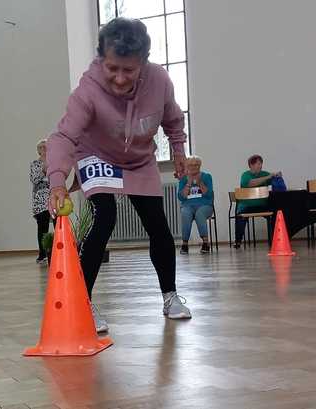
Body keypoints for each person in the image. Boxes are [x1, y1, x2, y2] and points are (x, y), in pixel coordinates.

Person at [46, 17, 192, 333]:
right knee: (104, 218)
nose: (120, 78)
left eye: (129, 70)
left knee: (158, 225)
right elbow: (64, 137)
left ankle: (170, 296)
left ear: (143, 63)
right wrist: (57, 180)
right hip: (95, 154)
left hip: (139, 159)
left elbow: (173, 120)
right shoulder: (88, 89)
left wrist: (178, 152)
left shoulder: (160, 82)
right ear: (102, 59)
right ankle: (82, 302)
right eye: (113, 68)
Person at [234, 154, 281, 249]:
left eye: (261, 163)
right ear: (251, 165)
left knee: (277, 212)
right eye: (258, 163)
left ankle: (276, 238)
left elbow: (274, 182)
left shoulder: (265, 173)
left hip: (262, 205)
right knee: (240, 217)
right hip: (247, 205)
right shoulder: (245, 175)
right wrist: (268, 177)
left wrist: (277, 176)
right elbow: (250, 183)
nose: (260, 166)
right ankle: (238, 241)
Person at [178, 156, 214, 255]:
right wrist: (188, 184)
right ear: (187, 166)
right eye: (190, 165)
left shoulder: (206, 176)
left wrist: (199, 183)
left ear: (199, 166)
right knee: (185, 213)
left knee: (199, 214)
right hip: (188, 206)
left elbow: (209, 194)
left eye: (196, 165)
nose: (193, 167)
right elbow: (181, 197)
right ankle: (185, 244)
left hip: (205, 205)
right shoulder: (183, 179)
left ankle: (205, 243)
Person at [30, 139, 52, 264]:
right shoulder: (34, 163)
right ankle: (42, 254)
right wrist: (43, 170)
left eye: (46, 147)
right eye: (41, 147)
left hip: (53, 196)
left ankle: (59, 252)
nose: (44, 149)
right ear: (38, 150)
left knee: (58, 225)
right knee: (42, 227)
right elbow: (34, 179)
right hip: (40, 198)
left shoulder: (54, 161)